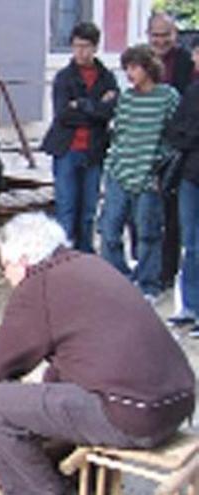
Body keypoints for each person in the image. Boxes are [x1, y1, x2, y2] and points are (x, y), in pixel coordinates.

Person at [0, 212, 194, 495]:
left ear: (22, 261)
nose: (5, 276)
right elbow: (76, 357)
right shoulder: (89, 263)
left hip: (137, 414)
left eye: (4, 267)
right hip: (176, 403)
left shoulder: (37, 284)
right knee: (53, 389)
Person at [99, 44, 180, 302]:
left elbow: (175, 135)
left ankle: (148, 285)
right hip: (120, 171)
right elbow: (119, 133)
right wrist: (112, 166)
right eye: (127, 68)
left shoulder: (167, 96)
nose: (130, 73)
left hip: (148, 175)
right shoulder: (127, 98)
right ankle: (117, 279)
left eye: (135, 67)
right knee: (109, 230)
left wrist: (160, 167)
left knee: (148, 233)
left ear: (148, 67)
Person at [40, 22, 118, 253]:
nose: (80, 52)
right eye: (75, 46)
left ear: (95, 48)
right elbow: (64, 114)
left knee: (88, 211)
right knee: (66, 208)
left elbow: (110, 112)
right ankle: (64, 256)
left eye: (85, 47)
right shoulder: (65, 77)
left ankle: (85, 256)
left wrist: (82, 105)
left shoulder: (107, 77)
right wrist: (96, 108)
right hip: (67, 149)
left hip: (93, 150)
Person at [147, 12, 196, 287]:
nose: (161, 40)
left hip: (178, 147)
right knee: (142, 213)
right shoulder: (141, 58)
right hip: (146, 145)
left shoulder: (186, 62)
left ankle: (167, 272)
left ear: (175, 35)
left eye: (166, 35)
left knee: (173, 215)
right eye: (156, 35)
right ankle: (148, 267)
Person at [166, 77, 199, 333]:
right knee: (191, 244)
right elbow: (176, 132)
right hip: (191, 175)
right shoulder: (192, 91)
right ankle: (190, 307)